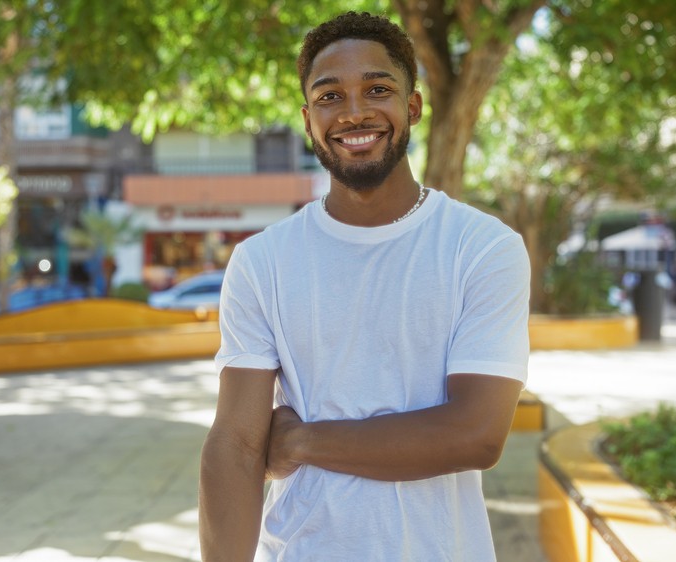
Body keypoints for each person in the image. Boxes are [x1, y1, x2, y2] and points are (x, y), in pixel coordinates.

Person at [198, 11, 531, 561]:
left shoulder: (482, 247)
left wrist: (302, 441)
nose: (354, 113)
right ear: (308, 120)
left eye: (377, 89)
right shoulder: (262, 261)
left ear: (413, 107)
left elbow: (476, 433)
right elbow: (234, 443)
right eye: (330, 97)